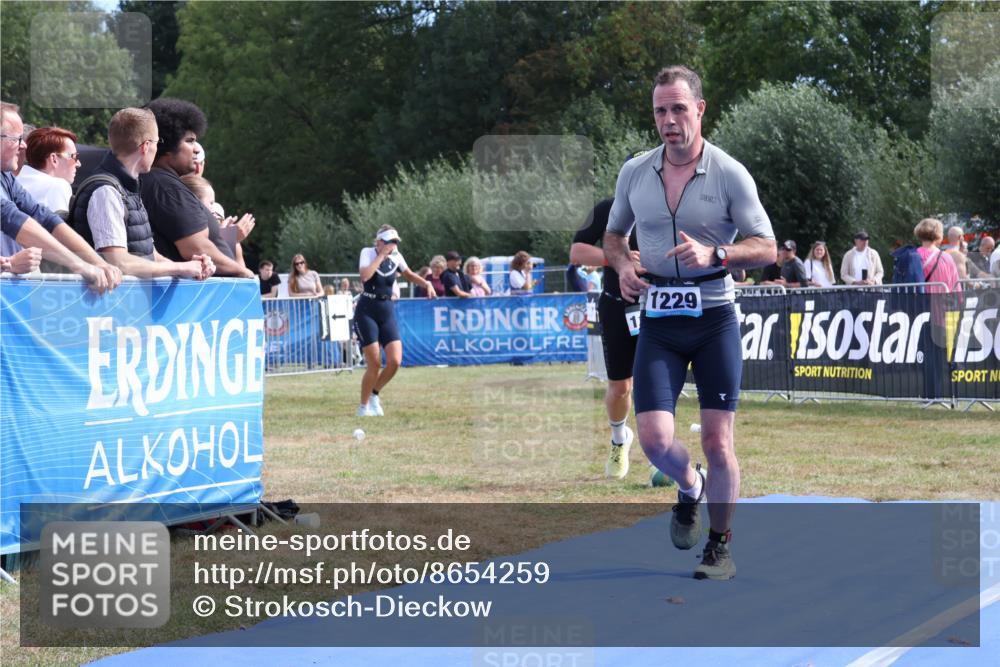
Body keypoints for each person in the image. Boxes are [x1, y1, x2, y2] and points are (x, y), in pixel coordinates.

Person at [603, 65, 775, 581]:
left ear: (700, 110)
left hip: (715, 317)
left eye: (679, 108)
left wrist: (718, 252)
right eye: (660, 110)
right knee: (654, 440)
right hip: (659, 320)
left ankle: (720, 547)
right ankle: (689, 486)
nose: (669, 120)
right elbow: (614, 236)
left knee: (719, 441)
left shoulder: (729, 172)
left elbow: (766, 247)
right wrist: (624, 265)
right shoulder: (635, 171)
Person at [71, 107, 213, 280]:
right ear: (146, 146)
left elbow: (147, 254)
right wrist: (181, 267)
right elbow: (119, 263)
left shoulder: (127, 187)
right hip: (113, 304)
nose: (156, 148)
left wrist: (192, 267)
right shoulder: (106, 191)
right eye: (156, 142)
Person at [1, 101, 121, 292]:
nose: (23, 145)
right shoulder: (56, 185)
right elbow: (14, 218)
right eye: (16, 138)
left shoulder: (6, 176)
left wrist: (99, 263)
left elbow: (46, 218)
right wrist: (81, 265)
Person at [140, 98, 253, 277]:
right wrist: (243, 274)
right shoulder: (165, 186)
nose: (196, 149)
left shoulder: (159, 182)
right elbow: (195, 247)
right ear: (167, 145)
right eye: (190, 141)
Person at [570, 198, 641, 479]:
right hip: (617, 305)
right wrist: (616, 258)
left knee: (657, 384)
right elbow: (576, 252)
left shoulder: (673, 205)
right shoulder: (607, 209)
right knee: (621, 387)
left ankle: (661, 452)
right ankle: (619, 439)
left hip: (661, 305)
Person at [355, 225, 437, 416]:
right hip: (367, 309)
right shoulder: (368, 253)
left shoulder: (397, 257)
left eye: (395, 242)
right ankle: (363, 406)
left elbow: (408, 274)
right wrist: (381, 255)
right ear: (380, 241)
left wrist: (426, 283)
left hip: (386, 310)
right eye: (390, 241)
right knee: (374, 363)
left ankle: (375, 394)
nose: (394, 245)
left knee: (395, 361)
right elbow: (365, 276)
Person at [179, 172, 255, 269]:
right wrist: (228, 240)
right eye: (211, 203)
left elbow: (243, 279)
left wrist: (232, 241)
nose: (214, 209)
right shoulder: (187, 238)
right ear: (194, 203)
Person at [17, 126, 79, 214]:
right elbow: (59, 226)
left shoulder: (14, 182)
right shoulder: (58, 185)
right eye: (74, 157)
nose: (78, 164)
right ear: (54, 159)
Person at [914, 218, 960, 293]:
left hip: (918, 302)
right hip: (941, 301)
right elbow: (955, 284)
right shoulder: (946, 257)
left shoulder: (913, 256)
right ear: (939, 235)